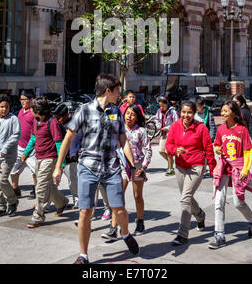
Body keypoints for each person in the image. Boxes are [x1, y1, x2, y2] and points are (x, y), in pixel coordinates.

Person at [53, 73, 140, 264]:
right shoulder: (84, 110)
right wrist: (58, 167)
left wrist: (132, 164)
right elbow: (68, 138)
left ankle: (125, 233)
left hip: (111, 167)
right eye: (117, 91)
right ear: (108, 91)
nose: (120, 95)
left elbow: (123, 140)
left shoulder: (116, 112)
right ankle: (83, 255)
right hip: (88, 167)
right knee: (86, 211)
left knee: (119, 209)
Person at [165, 100, 216, 245]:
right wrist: (175, 150)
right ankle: (200, 215)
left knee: (185, 199)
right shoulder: (175, 126)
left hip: (196, 166)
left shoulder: (201, 128)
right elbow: (169, 145)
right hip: (180, 167)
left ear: (194, 113)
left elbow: (208, 149)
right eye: (183, 112)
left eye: (189, 112)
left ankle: (182, 234)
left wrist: (213, 169)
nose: (186, 115)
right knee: (186, 197)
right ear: (179, 112)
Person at [208, 101, 252, 249]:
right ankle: (219, 234)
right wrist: (217, 150)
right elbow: (216, 145)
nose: (222, 114)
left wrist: (245, 170)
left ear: (234, 113)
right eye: (222, 111)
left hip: (238, 169)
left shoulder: (242, 130)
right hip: (223, 168)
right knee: (219, 201)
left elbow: (248, 151)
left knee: (238, 203)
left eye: (225, 111)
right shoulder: (221, 129)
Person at [102, 104, 152, 240]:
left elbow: (148, 150)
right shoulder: (119, 129)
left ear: (137, 117)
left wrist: (144, 168)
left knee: (137, 196)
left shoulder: (141, 131)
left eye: (133, 114)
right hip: (121, 166)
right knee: (117, 197)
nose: (129, 117)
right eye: (127, 113)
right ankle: (113, 228)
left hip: (137, 167)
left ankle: (140, 221)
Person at [22, 97, 69, 228]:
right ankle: (61, 202)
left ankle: (38, 216)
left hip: (50, 159)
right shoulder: (36, 121)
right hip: (39, 157)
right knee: (48, 185)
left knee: (41, 187)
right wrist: (26, 152)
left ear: (37, 110)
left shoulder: (52, 122)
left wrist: (61, 164)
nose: (30, 110)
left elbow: (59, 144)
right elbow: (33, 138)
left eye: (32, 108)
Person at [10, 91, 37, 199]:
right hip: (20, 146)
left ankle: (36, 189)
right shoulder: (21, 111)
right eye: (21, 99)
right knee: (13, 169)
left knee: (34, 170)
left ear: (31, 99)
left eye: (24, 99)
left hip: (32, 148)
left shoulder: (34, 113)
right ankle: (15, 190)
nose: (22, 102)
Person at [155, 96, 179, 176]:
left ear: (167, 104)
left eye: (163, 106)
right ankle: (171, 163)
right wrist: (158, 125)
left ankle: (170, 168)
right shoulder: (159, 111)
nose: (161, 107)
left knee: (168, 152)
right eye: (160, 106)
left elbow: (176, 122)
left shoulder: (173, 112)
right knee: (161, 151)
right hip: (163, 134)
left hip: (170, 134)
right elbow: (157, 119)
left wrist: (167, 128)